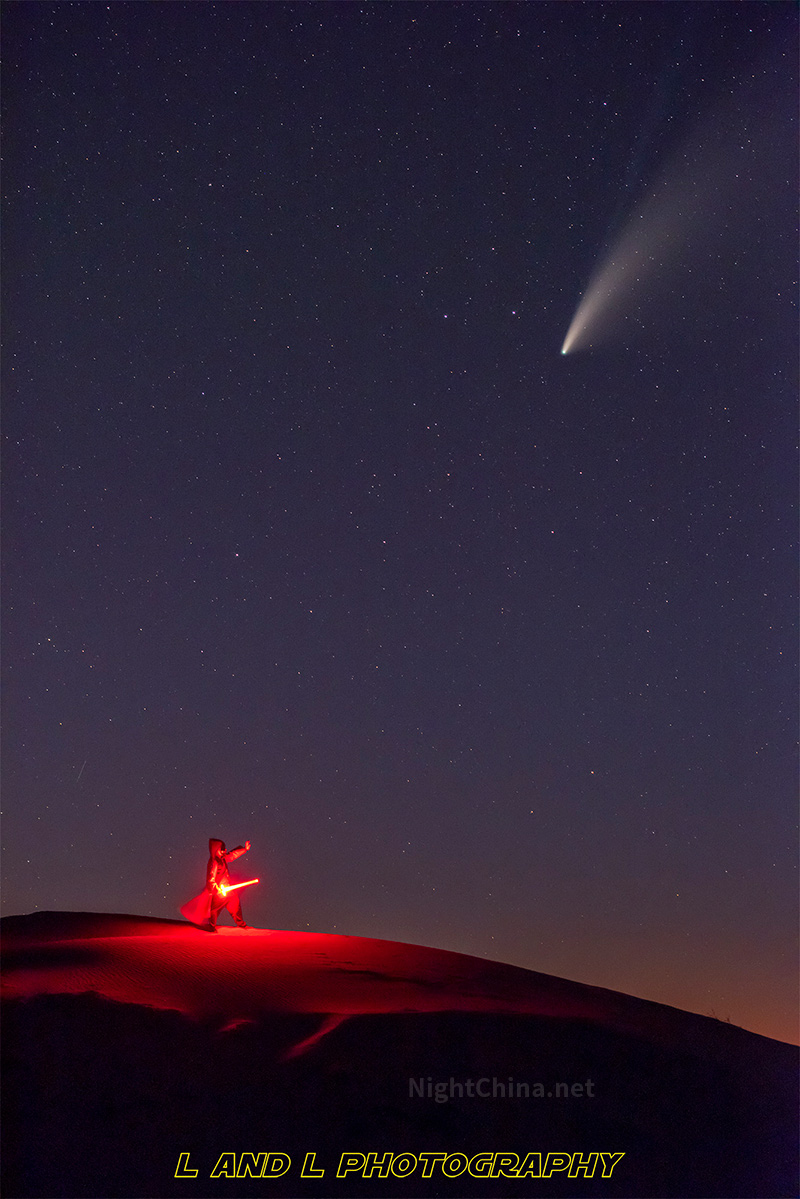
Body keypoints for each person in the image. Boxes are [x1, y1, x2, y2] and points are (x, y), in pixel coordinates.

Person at [180, 838, 252, 930]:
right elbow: (211, 877)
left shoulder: (223, 858)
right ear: (217, 849)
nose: (225, 850)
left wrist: (244, 849)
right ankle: (211, 926)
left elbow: (232, 855)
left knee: (235, 905)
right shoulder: (214, 862)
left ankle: (241, 925)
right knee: (214, 910)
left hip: (228, 890)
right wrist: (216, 889)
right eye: (222, 848)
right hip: (219, 892)